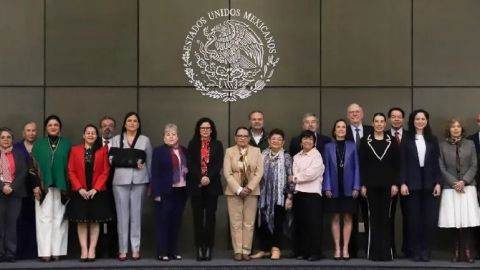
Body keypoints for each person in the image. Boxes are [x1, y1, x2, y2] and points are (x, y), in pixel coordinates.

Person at [400, 109, 441, 262]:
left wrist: (438, 182)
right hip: (412, 184)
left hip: (430, 184)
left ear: (427, 121)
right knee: (414, 219)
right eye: (417, 118)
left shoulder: (433, 139)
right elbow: (402, 162)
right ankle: (415, 250)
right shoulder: (406, 139)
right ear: (413, 121)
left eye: (423, 118)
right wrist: (403, 182)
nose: (420, 121)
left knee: (428, 219)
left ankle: (425, 250)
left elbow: (438, 163)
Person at [67, 124, 113, 262]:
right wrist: (79, 188)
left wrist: (96, 188)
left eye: (93, 133)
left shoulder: (102, 150)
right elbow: (71, 171)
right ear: (83, 135)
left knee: (94, 221)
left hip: (96, 192)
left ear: (96, 135)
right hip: (79, 191)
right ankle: (84, 250)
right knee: (81, 221)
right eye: (88, 132)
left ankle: (92, 249)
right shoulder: (75, 150)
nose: (91, 135)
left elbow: (106, 171)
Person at [110, 112, 152, 261]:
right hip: (120, 181)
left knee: (136, 216)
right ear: (125, 123)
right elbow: (112, 160)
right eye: (129, 120)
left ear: (138, 124)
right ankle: (122, 249)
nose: (132, 123)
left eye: (135, 121)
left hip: (139, 181)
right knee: (122, 217)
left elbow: (149, 162)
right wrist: (129, 161)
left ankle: (135, 249)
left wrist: (150, 183)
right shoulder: (115, 139)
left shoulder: (145, 140)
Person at [359, 113, 400, 261]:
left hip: (388, 186)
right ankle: (373, 253)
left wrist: (395, 183)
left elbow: (397, 164)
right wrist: (362, 184)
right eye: (376, 121)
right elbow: (361, 165)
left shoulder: (392, 141)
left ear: (385, 124)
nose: (379, 124)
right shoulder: (365, 141)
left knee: (386, 218)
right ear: (372, 123)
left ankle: (386, 252)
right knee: (373, 218)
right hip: (370, 186)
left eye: (382, 121)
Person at [438, 118, 480, 263]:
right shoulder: (442, 145)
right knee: (453, 220)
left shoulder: (470, 144)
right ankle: (455, 252)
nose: (456, 129)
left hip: (468, 187)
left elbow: (474, 165)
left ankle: (468, 252)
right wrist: (454, 182)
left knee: (468, 221)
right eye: (453, 127)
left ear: (462, 129)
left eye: (458, 127)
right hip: (451, 188)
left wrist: (464, 181)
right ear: (449, 130)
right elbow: (441, 167)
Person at [32, 115, 71, 262]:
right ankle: (45, 253)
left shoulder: (67, 144)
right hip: (43, 187)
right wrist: (36, 185)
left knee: (59, 219)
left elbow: (71, 166)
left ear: (60, 128)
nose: (53, 127)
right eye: (50, 125)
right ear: (46, 128)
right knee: (44, 219)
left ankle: (57, 252)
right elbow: (32, 167)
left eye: (56, 125)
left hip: (62, 187)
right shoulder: (39, 144)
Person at [251, 129, 293, 260]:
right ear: (269, 141)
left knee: (278, 222)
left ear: (283, 142)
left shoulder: (287, 157)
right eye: (273, 139)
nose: (276, 141)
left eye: (279, 139)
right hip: (263, 196)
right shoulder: (262, 154)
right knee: (262, 222)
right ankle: (264, 249)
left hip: (280, 196)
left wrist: (290, 196)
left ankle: (276, 248)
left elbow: (290, 177)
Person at [186, 118, 224, 261]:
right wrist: (200, 177)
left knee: (210, 218)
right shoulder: (193, 144)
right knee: (197, 218)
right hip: (196, 185)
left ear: (212, 129)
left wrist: (208, 177)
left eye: (208, 128)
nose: (205, 130)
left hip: (212, 186)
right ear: (198, 130)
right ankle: (199, 247)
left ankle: (208, 247)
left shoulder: (217, 144)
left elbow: (218, 163)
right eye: (202, 128)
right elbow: (190, 163)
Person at [224, 127, 263, 261]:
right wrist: (239, 189)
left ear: (249, 138)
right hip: (233, 191)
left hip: (251, 191)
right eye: (239, 135)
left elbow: (259, 172)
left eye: (245, 136)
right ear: (235, 138)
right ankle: (237, 251)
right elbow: (227, 173)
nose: (242, 138)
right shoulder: (229, 151)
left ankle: (246, 250)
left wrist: (249, 188)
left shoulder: (256, 151)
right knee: (236, 223)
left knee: (249, 222)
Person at [323, 119, 360, 260]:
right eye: (338, 126)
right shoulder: (328, 147)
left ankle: (345, 249)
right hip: (333, 187)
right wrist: (326, 186)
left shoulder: (353, 146)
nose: (341, 129)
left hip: (349, 187)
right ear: (334, 130)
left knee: (348, 216)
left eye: (343, 127)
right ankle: (337, 249)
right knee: (336, 216)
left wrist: (356, 186)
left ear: (346, 130)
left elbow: (357, 167)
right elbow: (325, 168)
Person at [151, 124, 188, 261]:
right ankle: (162, 252)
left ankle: (173, 250)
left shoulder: (184, 150)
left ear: (178, 136)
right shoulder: (159, 151)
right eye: (168, 134)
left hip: (181, 191)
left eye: (173, 134)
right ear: (163, 137)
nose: (171, 137)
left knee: (176, 222)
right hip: (165, 192)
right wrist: (156, 193)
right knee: (163, 222)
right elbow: (154, 173)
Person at [290, 130, 325, 261]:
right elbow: (297, 172)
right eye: (305, 139)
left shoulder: (317, 156)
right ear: (300, 142)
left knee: (313, 224)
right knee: (301, 224)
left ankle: (315, 252)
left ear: (314, 142)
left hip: (313, 194)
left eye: (310, 139)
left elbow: (311, 174)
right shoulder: (296, 157)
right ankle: (303, 251)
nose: (307, 141)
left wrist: (295, 178)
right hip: (299, 193)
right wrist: (297, 177)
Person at [345, 103, 373, 258]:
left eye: (357, 112)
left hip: (369, 181)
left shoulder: (371, 130)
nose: (354, 114)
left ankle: (371, 248)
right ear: (348, 115)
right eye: (351, 112)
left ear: (362, 115)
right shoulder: (343, 131)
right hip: (350, 183)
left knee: (370, 216)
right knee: (351, 216)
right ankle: (352, 250)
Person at [0, 127, 28, 262]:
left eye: (8, 137)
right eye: (3, 137)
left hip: (15, 194)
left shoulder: (19, 154)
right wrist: (2, 187)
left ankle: (10, 253)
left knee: (12, 224)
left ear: (12, 139)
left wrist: (12, 187)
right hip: (0, 193)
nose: (6, 139)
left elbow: (23, 173)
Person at [13, 121, 38, 259]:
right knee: (19, 221)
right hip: (20, 190)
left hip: (38, 190)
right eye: (28, 130)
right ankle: (20, 252)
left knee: (37, 222)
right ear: (23, 132)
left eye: (34, 130)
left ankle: (34, 252)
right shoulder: (16, 147)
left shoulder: (41, 147)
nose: (31, 133)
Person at [386, 107, 409, 257]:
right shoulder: (382, 136)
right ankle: (390, 250)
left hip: (408, 183)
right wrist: (393, 182)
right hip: (389, 184)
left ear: (403, 119)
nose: (396, 119)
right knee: (389, 217)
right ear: (389, 119)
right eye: (393, 116)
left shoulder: (410, 136)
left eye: (399, 116)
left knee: (409, 217)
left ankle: (408, 249)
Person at [96, 116, 118, 258]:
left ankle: (112, 250)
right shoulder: (93, 143)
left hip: (115, 186)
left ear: (114, 129)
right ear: (100, 129)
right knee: (96, 218)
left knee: (114, 219)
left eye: (110, 125)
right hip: (96, 187)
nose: (107, 128)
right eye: (104, 125)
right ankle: (96, 251)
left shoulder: (119, 144)